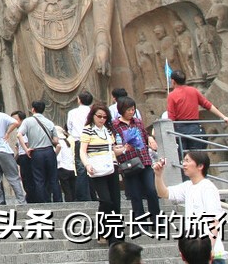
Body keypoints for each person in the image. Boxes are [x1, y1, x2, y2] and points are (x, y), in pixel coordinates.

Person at [156, 151, 225, 253]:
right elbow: (163, 193)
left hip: (209, 252)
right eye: (183, 160)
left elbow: (215, 221)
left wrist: (208, 250)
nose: (184, 164)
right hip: (194, 251)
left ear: (200, 166)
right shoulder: (188, 186)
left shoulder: (208, 187)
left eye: (188, 161)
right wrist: (158, 175)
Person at [166, 70, 228, 157]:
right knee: (198, 156)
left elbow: (171, 117)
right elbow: (207, 105)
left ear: (173, 81)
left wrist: (169, 132)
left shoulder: (172, 95)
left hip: (180, 129)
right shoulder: (193, 91)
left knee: (183, 158)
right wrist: (223, 117)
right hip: (195, 127)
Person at [81, 103, 122, 245]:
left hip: (111, 167)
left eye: (105, 117)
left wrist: (123, 148)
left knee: (115, 202)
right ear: (93, 116)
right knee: (105, 200)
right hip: (96, 169)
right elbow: (82, 151)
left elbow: (112, 150)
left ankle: (114, 236)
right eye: (99, 116)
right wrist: (87, 165)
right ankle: (103, 230)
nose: (102, 119)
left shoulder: (108, 130)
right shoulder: (87, 130)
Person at [115, 96, 159, 218]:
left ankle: (156, 218)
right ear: (121, 110)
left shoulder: (138, 122)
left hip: (144, 160)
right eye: (128, 109)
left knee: (151, 190)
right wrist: (123, 147)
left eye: (133, 109)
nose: (131, 112)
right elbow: (114, 144)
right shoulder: (115, 125)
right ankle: (141, 219)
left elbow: (145, 135)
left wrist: (150, 138)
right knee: (135, 194)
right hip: (129, 163)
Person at [18, 100, 61, 203]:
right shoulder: (49, 122)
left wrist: (26, 149)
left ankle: (43, 201)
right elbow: (56, 140)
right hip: (49, 151)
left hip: (36, 152)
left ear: (33, 109)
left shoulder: (27, 121)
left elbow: (19, 134)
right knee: (53, 178)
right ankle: (57, 200)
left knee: (39, 179)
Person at [66, 90, 95, 201]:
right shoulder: (93, 111)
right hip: (93, 140)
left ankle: (83, 196)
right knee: (93, 165)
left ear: (79, 100)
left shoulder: (73, 113)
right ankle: (93, 194)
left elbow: (69, 128)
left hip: (80, 140)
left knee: (81, 168)